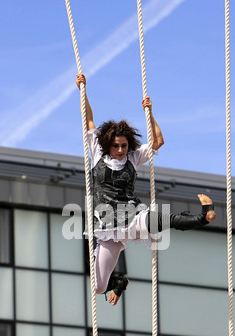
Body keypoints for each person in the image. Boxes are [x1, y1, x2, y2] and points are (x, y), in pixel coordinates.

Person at [76, 73, 216, 306]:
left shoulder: (133, 157)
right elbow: (88, 119)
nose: (120, 150)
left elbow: (158, 141)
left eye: (124, 145)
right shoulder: (97, 153)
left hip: (131, 216)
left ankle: (203, 217)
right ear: (108, 144)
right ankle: (119, 283)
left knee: (163, 220)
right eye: (116, 146)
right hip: (106, 225)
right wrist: (83, 90)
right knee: (98, 286)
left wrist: (150, 113)